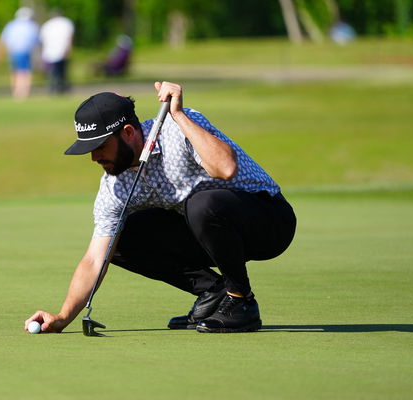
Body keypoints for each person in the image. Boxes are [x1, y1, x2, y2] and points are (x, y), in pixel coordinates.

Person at [25, 82, 296, 334]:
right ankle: (214, 292)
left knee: (202, 203)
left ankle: (241, 302)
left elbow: (225, 169)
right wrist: (61, 318)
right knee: (120, 238)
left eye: (100, 147)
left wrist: (178, 114)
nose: (95, 157)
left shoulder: (179, 127)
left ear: (128, 133)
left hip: (268, 221)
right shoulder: (114, 186)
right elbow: (95, 258)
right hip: (211, 232)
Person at [0, 7, 40, 99]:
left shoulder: (11, 25)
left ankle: (16, 91)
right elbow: (36, 41)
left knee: (15, 71)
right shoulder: (32, 26)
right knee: (25, 71)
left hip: (13, 51)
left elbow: (4, 39)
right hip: (25, 51)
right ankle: (24, 91)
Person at [39, 10, 74, 94]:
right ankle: (59, 88)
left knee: (53, 72)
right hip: (60, 51)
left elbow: (43, 40)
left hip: (51, 52)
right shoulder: (65, 23)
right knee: (61, 72)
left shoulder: (47, 25)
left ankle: (55, 88)